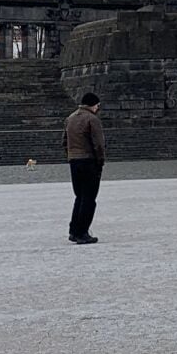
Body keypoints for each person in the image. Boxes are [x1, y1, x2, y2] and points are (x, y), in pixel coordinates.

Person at [65, 92, 106, 244]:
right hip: (88, 161)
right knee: (89, 199)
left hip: (74, 161)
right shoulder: (92, 119)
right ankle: (82, 232)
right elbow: (99, 144)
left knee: (79, 197)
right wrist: (100, 160)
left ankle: (74, 230)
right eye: (97, 105)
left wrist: (70, 156)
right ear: (94, 105)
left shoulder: (70, 118)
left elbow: (64, 141)